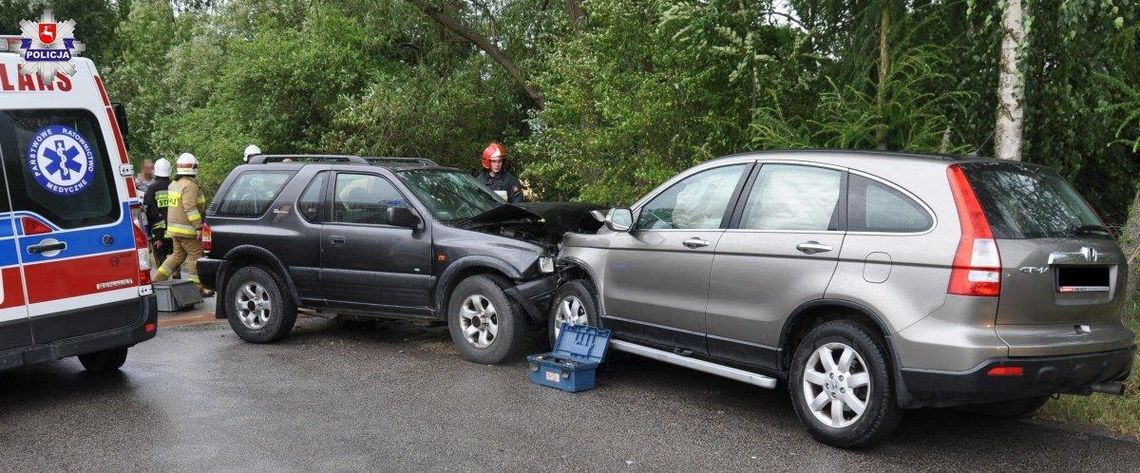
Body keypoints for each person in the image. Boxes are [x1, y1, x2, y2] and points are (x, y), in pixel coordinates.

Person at [154, 153, 213, 297]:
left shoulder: (174, 184)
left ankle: (155, 281)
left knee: (176, 256)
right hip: (188, 230)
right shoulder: (190, 185)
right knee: (196, 256)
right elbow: (190, 208)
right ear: (194, 168)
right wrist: (199, 227)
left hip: (174, 230)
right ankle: (197, 288)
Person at [142, 158, 175, 277]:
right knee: (176, 261)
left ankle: (163, 287)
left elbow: (147, 212)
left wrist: (154, 236)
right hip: (175, 232)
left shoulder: (151, 189)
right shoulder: (175, 186)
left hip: (159, 234)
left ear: (155, 171)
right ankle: (178, 282)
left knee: (162, 264)